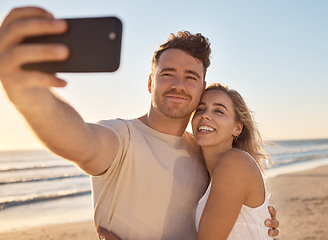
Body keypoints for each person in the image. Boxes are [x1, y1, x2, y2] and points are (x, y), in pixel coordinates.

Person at [0, 7, 279, 240]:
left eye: (191, 77)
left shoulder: (205, 152)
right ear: (150, 82)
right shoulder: (123, 137)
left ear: (201, 87)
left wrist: (256, 223)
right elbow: (80, 140)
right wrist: (29, 96)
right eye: (167, 74)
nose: (179, 85)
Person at [192, 83, 273, 239]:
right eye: (200, 109)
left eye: (219, 111)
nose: (205, 115)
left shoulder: (235, 162)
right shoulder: (209, 174)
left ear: (237, 128)